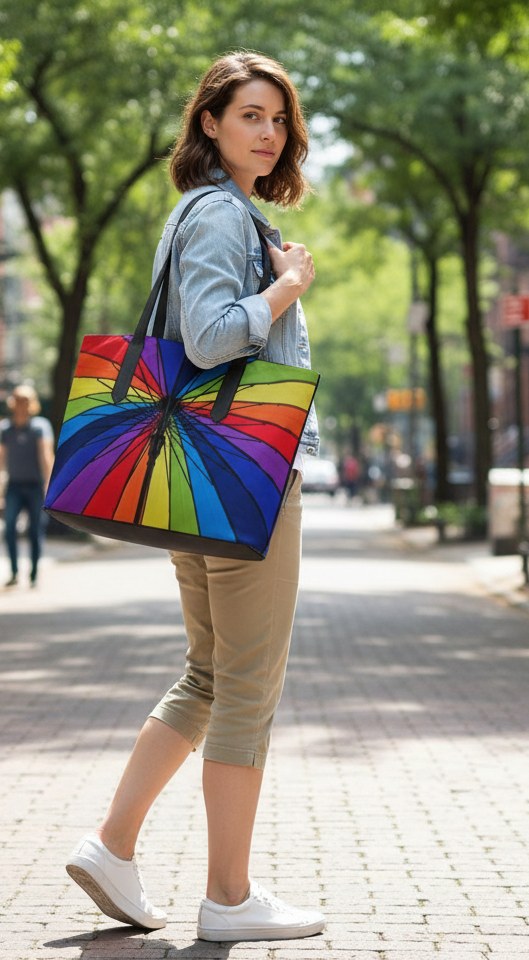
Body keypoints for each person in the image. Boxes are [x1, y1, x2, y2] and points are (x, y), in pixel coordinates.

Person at [63, 53, 324, 942]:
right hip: (243, 474)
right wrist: (286, 287)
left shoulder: (205, 214)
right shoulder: (222, 216)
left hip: (195, 473)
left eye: (279, 119)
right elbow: (211, 339)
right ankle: (228, 896)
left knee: (210, 675)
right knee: (247, 688)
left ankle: (112, 846)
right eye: (250, 114)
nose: (268, 132)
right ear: (208, 122)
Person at [0, 384, 54, 587]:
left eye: (25, 401)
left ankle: (34, 574)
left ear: (32, 404)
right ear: (13, 403)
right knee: (9, 528)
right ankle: (14, 572)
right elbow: (0, 457)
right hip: (14, 487)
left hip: (36, 486)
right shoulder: (5, 428)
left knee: (35, 531)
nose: (21, 405)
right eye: (18, 400)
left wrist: (50, 485)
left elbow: (46, 455)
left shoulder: (40, 427)